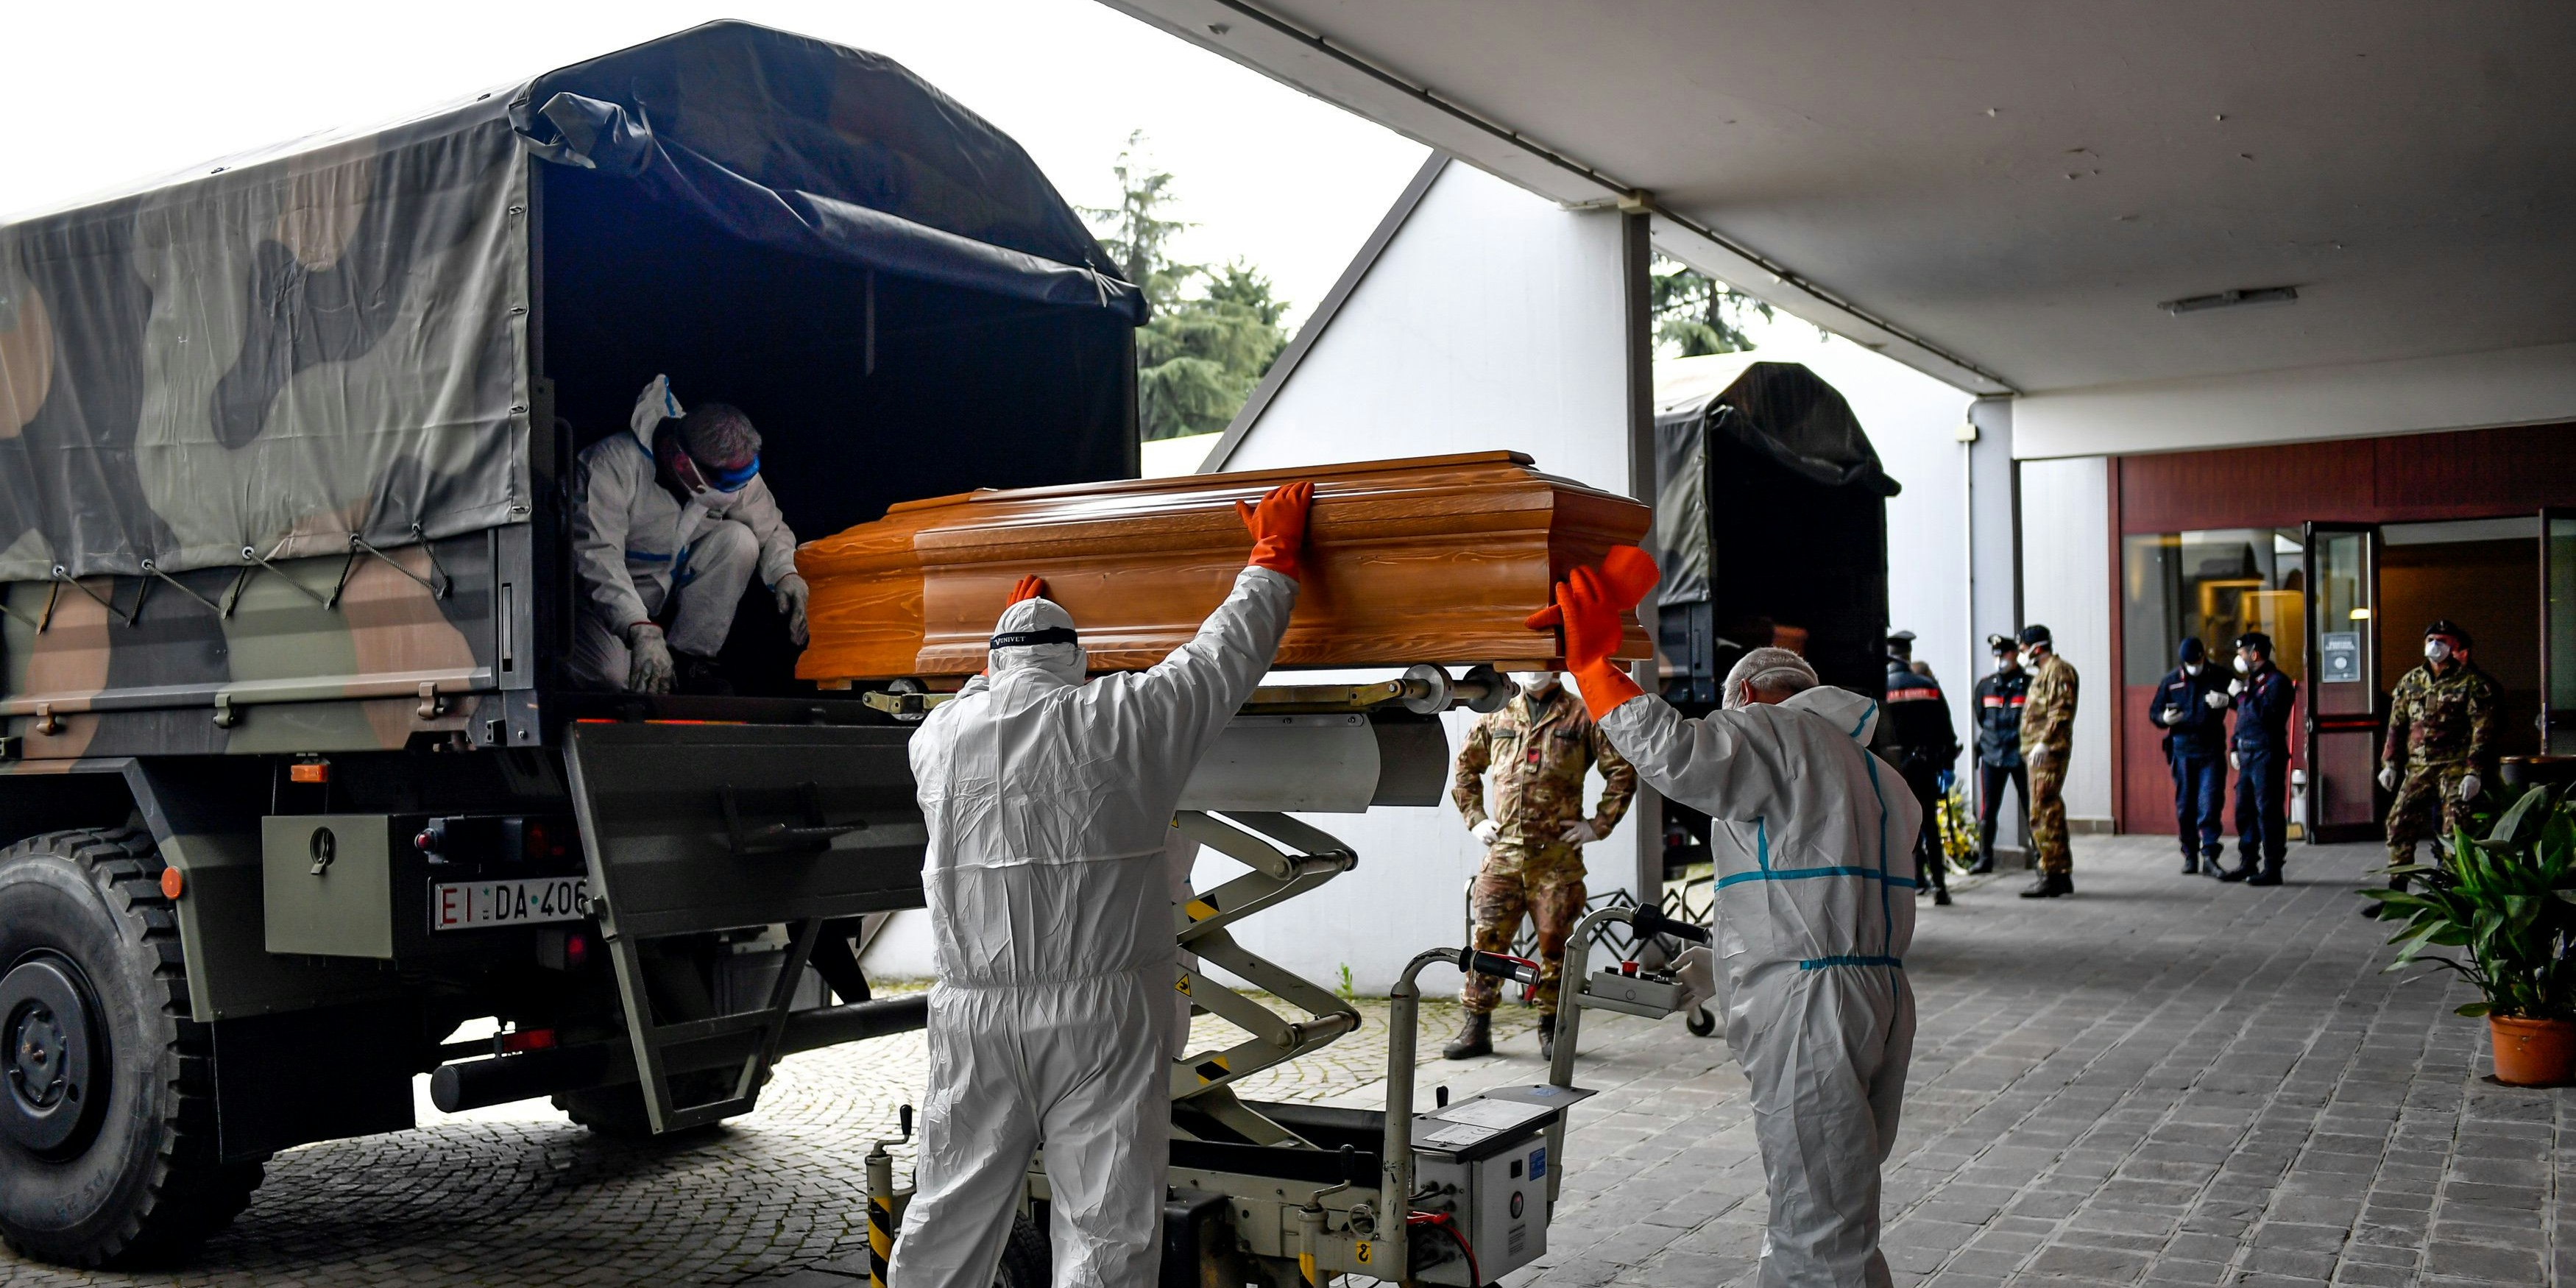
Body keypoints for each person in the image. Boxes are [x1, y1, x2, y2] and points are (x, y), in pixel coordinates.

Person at [888, 482, 1314, 1288]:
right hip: (1102, 1013)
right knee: (1105, 1225)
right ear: (1079, 662)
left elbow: (981, 697)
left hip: (973, 1016)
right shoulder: (1124, 719)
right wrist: (1270, 562)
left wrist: (1001, 650)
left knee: (947, 1211)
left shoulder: (937, 738)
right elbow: (1221, 658)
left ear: (988, 664)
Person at [1529, 546, 1916, 1288]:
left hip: (1812, 1009)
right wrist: (1721, 962)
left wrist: (1595, 671)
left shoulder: (1772, 734)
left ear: (1742, 700)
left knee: (1818, 1220)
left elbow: (1680, 755)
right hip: (1877, 1000)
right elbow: (1823, 896)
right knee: (1833, 1193)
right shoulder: (1877, 777)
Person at [571, 375, 808, 694]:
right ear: (683, 464)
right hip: (598, 601)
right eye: (729, 482)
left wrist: (786, 573)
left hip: (666, 591)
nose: (740, 489)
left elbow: (771, 527)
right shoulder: (610, 466)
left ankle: (690, 662)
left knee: (740, 539)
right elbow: (597, 558)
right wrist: (639, 628)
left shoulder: (730, 470)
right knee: (613, 679)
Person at [1445, 669, 1638, 1060]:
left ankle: (1552, 1025)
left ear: (1558, 667)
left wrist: (1597, 826)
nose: (1535, 671)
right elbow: (1465, 768)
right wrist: (1476, 818)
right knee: (1488, 939)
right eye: (1527, 663)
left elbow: (1621, 770)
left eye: (1544, 662)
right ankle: (1477, 1025)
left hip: (1556, 857)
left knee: (1557, 942)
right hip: (1504, 853)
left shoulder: (1583, 716)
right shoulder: (1496, 715)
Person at [2377, 620, 2497, 892]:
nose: (2435, 646)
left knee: (2455, 830)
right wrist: (2390, 764)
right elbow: (2396, 724)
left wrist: (2473, 771)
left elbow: (2482, 729)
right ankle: (2397, 891)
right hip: (2418, 766)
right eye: (2431, 640)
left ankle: (2450, 891)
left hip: (2453, 766)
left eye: (2442, 641)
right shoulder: (2411, 681)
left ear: (2454, 646)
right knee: (2398, 823)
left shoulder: (2471, 684)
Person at [1880, 631, 1961, 906]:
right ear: (1908, 656)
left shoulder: (1882, 688)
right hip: (1924, 770)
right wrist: (1947, 765)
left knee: (1895, 831)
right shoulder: (1928, 686)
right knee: (1930, 828)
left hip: (1891, 772)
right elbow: (1946, 732)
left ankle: (1903, 888)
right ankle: (1940, 887)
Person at [2216, 631, 2296, 887]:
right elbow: (2243, 720)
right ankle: (2248, 861)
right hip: (2248, 753)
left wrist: (2240, 696)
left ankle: (2273, 867)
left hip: (2267, 754)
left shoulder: (2277, 683)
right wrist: (2234, 746)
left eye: (2241, 653)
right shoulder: (2252, 681)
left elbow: (2265, 716)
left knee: (2268, 811)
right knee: (2245, 811)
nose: (2239, 658)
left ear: (2255, 654)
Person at [2148, 638, 2232, 874]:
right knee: (2186, 805)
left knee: (2211, 801)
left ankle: (2210, 856)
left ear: (2203, 656)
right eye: (2189, 663)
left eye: (2196, 661)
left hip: (2212, 748)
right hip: (2182, 749)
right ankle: (2190, 854)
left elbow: (2242, 700)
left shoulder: (2219, 675)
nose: (2193, 665)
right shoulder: (2172, 681)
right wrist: (2164, 719)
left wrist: (2227, 700)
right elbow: (2154, 712)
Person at [2016, 624, 2080, 899]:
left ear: (2036, 648)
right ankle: (2057, 872)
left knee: (2044, 811)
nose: (2021, 654)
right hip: (2038, 753)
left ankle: (2054, 873)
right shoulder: (2044, 673)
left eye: (2022, 649)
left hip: (2048, 752)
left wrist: (2045, 741)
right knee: (2043, 810)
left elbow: (2061, 710)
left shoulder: (2058, 671)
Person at [1969, 634, 2030, 874]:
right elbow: (1981, 716)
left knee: (2031, 808)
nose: (1999, 659)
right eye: (1996, 654)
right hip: (1992, 754)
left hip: (2021, 755)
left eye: (2003, 653)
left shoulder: (2029, 684)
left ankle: (2040, 857)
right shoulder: (1985, 686)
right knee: (1988, 810)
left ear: (2015, 654)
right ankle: (1985, 859)